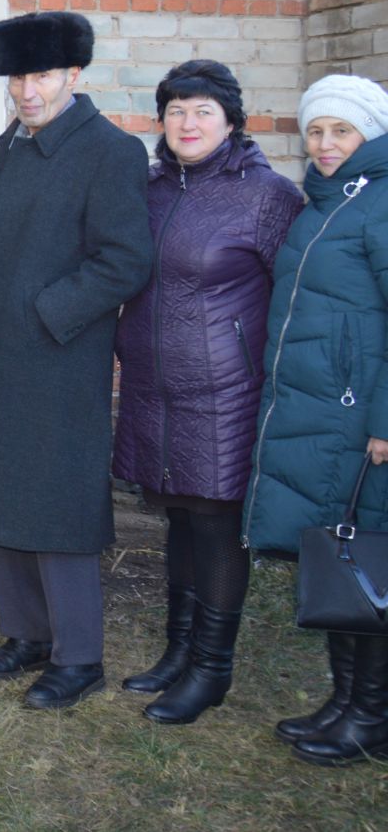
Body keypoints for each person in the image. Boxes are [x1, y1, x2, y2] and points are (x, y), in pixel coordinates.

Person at [0, 13, 154, 710]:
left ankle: (79, 655)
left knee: (57, 509)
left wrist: (47, 311)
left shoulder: (109, 151)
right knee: (3, 497)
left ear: (73, 74)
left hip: (60, 360)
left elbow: (126, 259)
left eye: (39, 76)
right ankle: (26, 634)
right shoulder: (11, 145)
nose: (26, 90)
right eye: (16, 78)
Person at [112, 61, 302, 725]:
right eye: (175, 110)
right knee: (180, 519)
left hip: (227, 392)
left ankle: (211, 669)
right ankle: (178, 649)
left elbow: (295, 300)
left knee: (219, 524)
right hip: (153, 387)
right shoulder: (151, 187)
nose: (187, 123)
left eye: (202, 111)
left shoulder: (267, 195)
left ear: (231, 121)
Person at [244, 73, 388, 766]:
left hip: (366, 425)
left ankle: (372, 715)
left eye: (343, 130)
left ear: (371, 133)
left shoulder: (381, 203)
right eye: (317, 130)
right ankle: (345, 700)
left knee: (371, 560)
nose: (326, 143)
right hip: (321, 410)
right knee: (343, 554)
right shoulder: (325, 202)